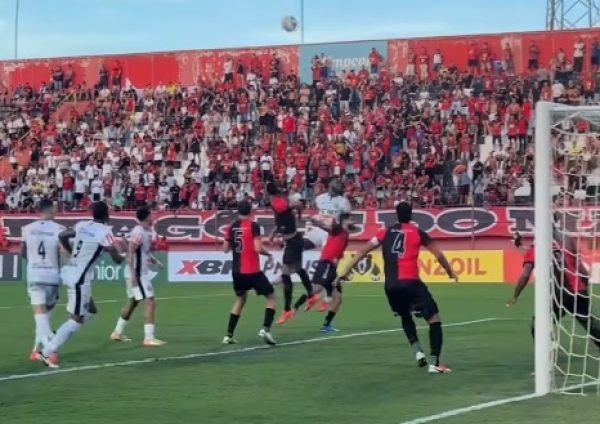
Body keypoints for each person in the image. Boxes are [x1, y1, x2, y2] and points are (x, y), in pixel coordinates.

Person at [339, 202, 458, 374]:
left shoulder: (384, 231)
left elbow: (362, 251)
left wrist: (346, 270)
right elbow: (438, 254)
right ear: (411, 215)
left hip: (391, 286)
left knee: (404, 315)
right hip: (411, 282)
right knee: (434, 318)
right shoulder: (418, 232)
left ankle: (417, 351)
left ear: (396, 215)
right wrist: (450, 272)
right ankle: (435, 363)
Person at [38, 201, 125, 368]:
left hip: (71, 271)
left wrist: (71, 252)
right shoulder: (105, 232)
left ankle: (53, 338)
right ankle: (47, 352)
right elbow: (115, 257)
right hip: (79, 279)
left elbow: (63, 236)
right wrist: (124, 255)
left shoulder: (82, 224)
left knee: (91, 311)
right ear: (107, 215)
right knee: (77, 319)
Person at [507, 231, 600, 350]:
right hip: (578, 291)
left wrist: (515, 296)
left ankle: (545, 354)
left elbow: (526, 275)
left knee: (538, 325)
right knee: (590, 324)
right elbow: (582, 270)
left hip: (558, 294)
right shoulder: (567, 242)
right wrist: (584, 289)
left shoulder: (537, 247)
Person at [278, 213, 354, 332]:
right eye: (351, 219)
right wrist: (315, 222)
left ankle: (326, 325)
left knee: (338, 298)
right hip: (325, 264)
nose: (353, 221)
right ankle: (292, 309)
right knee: (316, 289)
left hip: (332, 268)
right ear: (344, 220)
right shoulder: (339, 229)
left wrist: (337, 273)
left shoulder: (345, 235)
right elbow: (327, 228)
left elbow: (338, 255)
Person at [222, 200, 277, 346]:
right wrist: (268, 254)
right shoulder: (254, 226)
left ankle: (228, 335)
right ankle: (265, 329)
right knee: (271, 297)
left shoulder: (231, 227)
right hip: (252, 271)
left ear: (238, 211)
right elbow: (258, 248)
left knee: (240, 299)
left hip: (237, 271)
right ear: (251, 211)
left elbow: (225, 249)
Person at [110, 206, 165, 346]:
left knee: (133, 302)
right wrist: (134, 275)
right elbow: (130, 253)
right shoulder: (139, 232)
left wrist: (154, 261)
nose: (153, 217)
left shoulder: (146, 232)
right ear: (147, 217)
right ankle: (149, 338)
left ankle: (117, 332)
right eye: (151, 214)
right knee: (151, 302)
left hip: (139, 271)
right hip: (138, 273)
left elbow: (143, 252)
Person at [265, 182, 317, 323]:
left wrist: (297, 212)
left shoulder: (277, 203)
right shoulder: (280, 201)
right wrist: (273, 234)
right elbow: (284, 216)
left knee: (285, 274)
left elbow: (295, 206)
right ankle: (311, 295)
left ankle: (287, 310)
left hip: (293, 243)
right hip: (295, 240)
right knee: (299, 269)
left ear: (268, 193)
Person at [21, 199, 65, 362]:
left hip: (34, 275)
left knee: (41, 315)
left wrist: (34, 261)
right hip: (52, 276)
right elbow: (63, 252)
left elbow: (23, 253)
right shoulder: (59, 229)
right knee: (44, 314)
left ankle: (41, 349)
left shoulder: (27, 229)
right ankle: (45, 350)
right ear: (50, 209)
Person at [304, 177, 352, 250]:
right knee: (301, 246)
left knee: (326, 253)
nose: (338, 184)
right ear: (330, 183)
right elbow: (313, 207)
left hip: (330, 233)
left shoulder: (344, 201)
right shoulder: (320, 198)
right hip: (317, 229)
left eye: (339, 182)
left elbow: (347, 220)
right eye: (336, 181)